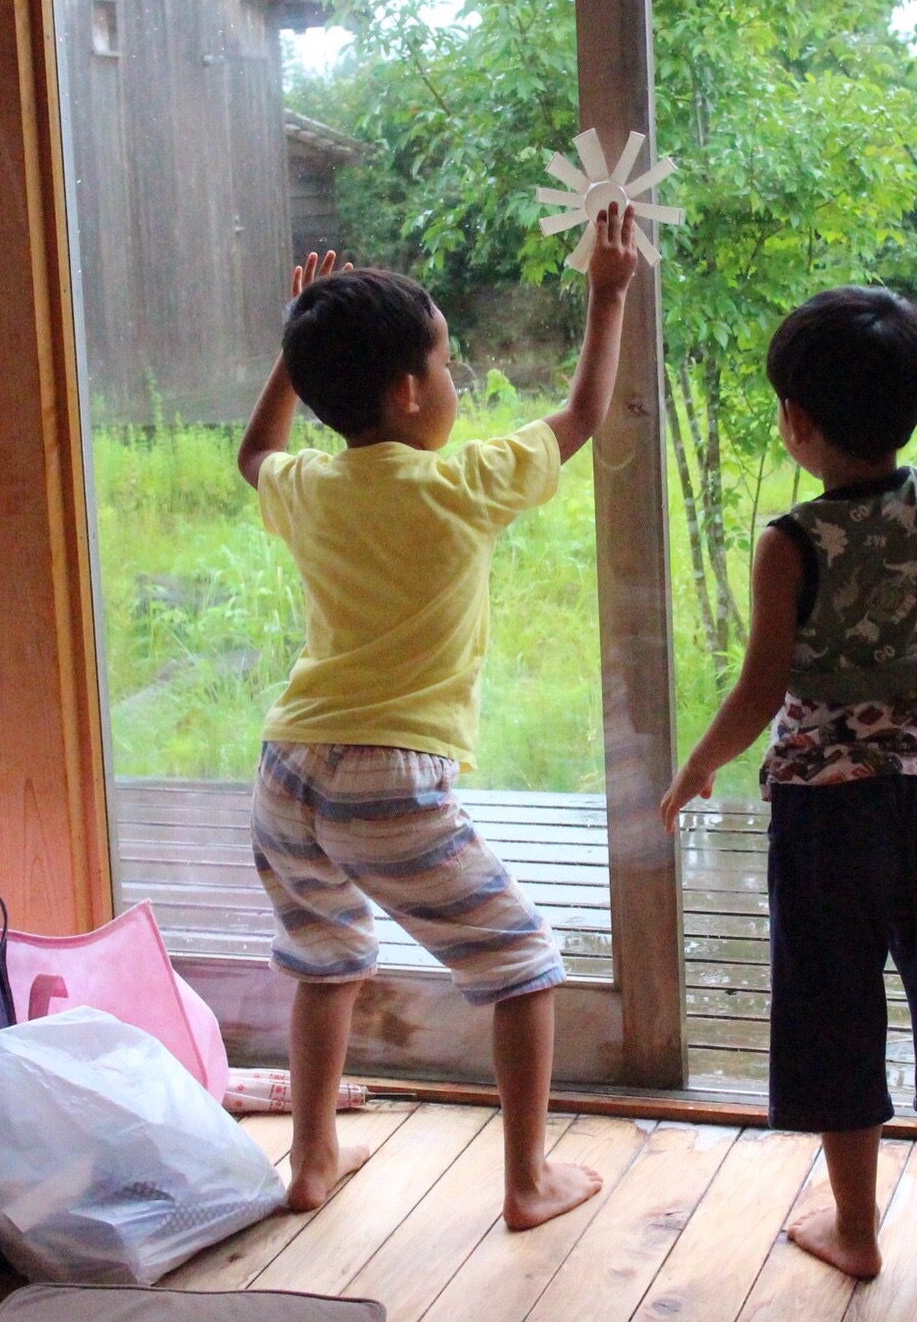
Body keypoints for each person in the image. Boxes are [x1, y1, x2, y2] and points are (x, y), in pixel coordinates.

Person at [657, 223, 917, 1281]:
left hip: (822, 819)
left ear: (797, 422)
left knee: (831, 1015)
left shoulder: (789, 542)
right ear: (908, 409)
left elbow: (761, 688)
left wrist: (698, 764)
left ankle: (858, 1231)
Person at [235, 202, 640, 1229]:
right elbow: (582, 416)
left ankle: (312, 1159)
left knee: (325, 959)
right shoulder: (463, 482)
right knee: (523, 965)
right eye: (449, 364)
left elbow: (254, 454)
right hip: (387, 778)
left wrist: (294, 350)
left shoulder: (313, 486)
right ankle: (527, 1180)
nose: (455, 382)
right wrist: (607, 294)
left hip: (287, 771)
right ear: (412, 390)